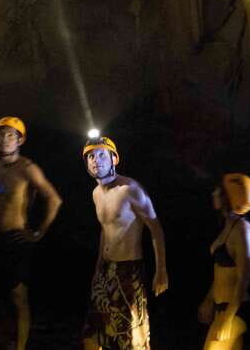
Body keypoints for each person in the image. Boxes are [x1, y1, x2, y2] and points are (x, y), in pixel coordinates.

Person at [0, 116, 62, 350]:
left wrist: (39, 232)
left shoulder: (27, 168)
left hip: (17, 239)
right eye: (1, 134)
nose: (4, 139)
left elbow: (54, 199)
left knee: (19, 296)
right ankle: (6, 334)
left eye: (10, 135)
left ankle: (20, 346)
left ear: (20, 140)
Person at [82, 135, 168, 350]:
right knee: (94, 335)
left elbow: (155, 228)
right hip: (105, 270)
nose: (96, 160)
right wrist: (97, 270)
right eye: (91, 156)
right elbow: (106, 231)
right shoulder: (96, 194)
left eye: (102, 154)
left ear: (114, 159)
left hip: (128, 271)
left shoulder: (130, 189)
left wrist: (162, 270)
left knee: (131, 338)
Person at [198, 173, 250, 350]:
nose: (214, 194)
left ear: (229, 196)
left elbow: (243, 278)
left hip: (234, 311)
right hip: (222, 309)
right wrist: (209, 299)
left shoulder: (243, 229)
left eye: (219, 190)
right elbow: (221, 271)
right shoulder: (228, 226)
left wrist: (228, 318)